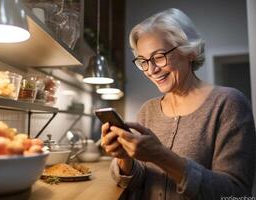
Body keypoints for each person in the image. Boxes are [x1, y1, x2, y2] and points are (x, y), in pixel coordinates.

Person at [100, 8, 256, 200]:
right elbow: (141, 181)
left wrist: (161, 156)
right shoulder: (148, 111)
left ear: (189, 51)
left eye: (158, 57)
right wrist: (124, 157)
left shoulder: (228, 104)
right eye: (143, 61)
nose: (151, 70)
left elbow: (237, 194)